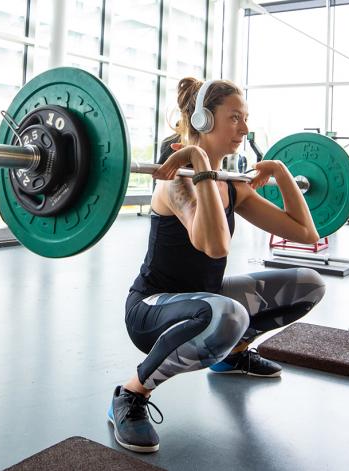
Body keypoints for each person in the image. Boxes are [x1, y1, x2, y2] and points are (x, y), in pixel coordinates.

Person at [107, 78, 326, 453]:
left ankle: (232, 355)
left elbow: (306, 233)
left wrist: (279, 172)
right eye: (234, 118)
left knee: (309, 284)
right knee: (228, 314)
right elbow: (214, 244)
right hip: (151, 310)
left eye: (246, 119)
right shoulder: (176, 183)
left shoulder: (230, 184)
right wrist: (199, 163)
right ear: (205, 120)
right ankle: (130, 394)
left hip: (205, 303)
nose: (244, 128)